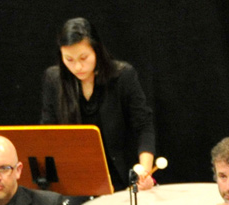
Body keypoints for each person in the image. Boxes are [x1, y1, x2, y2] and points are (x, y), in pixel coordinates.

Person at [40, 17, 156, 189]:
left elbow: (143, 126)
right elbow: (48, 132)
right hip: (77, 178)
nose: (77, 67)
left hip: (121, 177)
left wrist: (144, 171)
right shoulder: (54, 79)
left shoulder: (123, 76)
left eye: (83, 58)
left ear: (97, 51)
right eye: (69, 59)